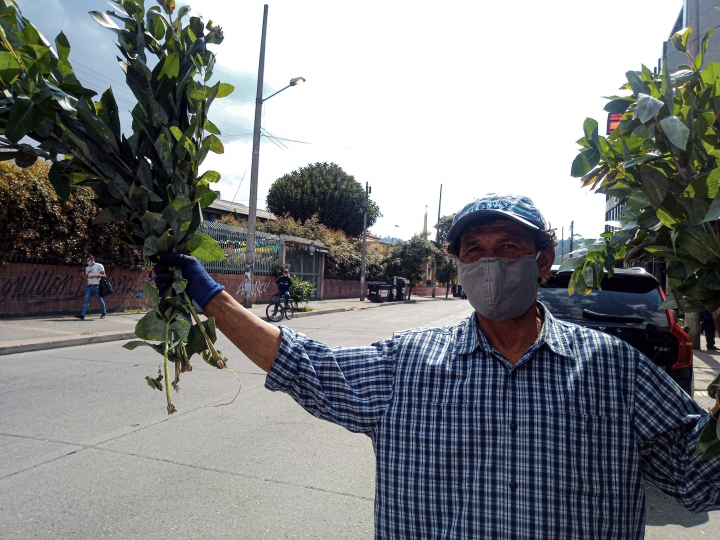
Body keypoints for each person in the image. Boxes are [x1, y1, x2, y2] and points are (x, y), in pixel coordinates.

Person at [154, 194, 720, 539]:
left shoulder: (613, 370)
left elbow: (700, 478)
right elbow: (306, 365)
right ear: (456, 264)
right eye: (474, 251)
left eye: (508, 248)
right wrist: (211, 295)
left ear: (544, 261)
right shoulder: (410, 363)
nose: (491, 264)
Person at [76, 254, 107, 320]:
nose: (88, 262)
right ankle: (82, 314)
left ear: (92, 260)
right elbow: (87, 278)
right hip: (89, 286)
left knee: (100, 300)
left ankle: (104, 313)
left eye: (89, 260)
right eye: (87, 261)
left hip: (96, 286)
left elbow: (104, 275)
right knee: (86, 300)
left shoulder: (99, 266)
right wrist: (82, 275)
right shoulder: (87, 268)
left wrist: (95, 276)